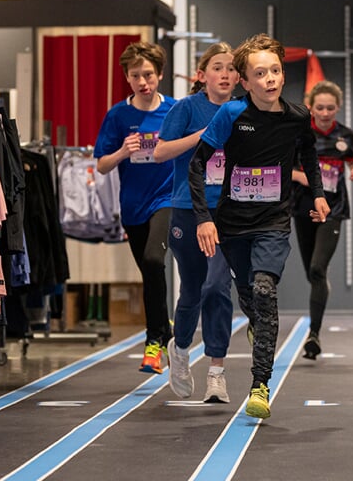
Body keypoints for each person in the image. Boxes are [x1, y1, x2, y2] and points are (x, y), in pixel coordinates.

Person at [188, 33, 329, 420]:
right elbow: (197, 164)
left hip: (273, 220)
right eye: (260, 73)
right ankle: (257, 323)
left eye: (276, 71)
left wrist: (317, 193)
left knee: (265, 292)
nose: (270, 79)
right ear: (245, 82)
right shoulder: (232, 114)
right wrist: (204, 218)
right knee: (250, 297)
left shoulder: (298, 117)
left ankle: (260, 385)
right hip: (232, 224)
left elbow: (309, 156)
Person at [154, 43, 238, 404]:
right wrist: (205, 136)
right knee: (192, 291)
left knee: (218, 286)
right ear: (202, 75)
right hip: (188, 209)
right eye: (217, 67)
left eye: (232, 69)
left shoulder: (244, 110)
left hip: (228, 211)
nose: (225, 74)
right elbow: (160, 152)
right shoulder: (186, 108)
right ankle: (182, 350)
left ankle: (217, 372)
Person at [94, 41, 175, 374]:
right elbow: (101, 165)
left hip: (166, 199)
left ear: (159, 75)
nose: (143, 82)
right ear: (127, 78)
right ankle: (164, 329)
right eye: (136, 76)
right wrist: (122, 152)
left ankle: (153, 341)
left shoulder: (173, 110)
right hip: (133, 205)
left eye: (149, 75)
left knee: (155, 261)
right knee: (149, 273)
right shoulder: (118, 115)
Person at [291, 80, 353, 359]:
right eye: (319, 108)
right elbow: (282, 168)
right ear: (310, 106)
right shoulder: (298, 133)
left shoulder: (345, 135)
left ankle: (314, 335)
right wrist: (308, 178)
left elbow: (352, 161)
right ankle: (317, 314)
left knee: (318, 269)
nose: (324, 113)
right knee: (312, 272)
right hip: (302, 208)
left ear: (338, 108)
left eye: (330, 108)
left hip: (333, 209)